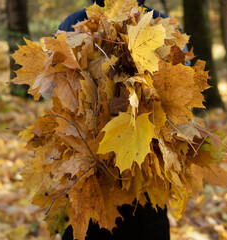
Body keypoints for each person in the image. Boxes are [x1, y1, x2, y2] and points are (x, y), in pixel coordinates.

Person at [60, 2, 171, 239]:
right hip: (91, 173)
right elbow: (55, 96)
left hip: (143, 172)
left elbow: (181, 91)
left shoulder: (159, 23)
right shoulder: (74, 25)